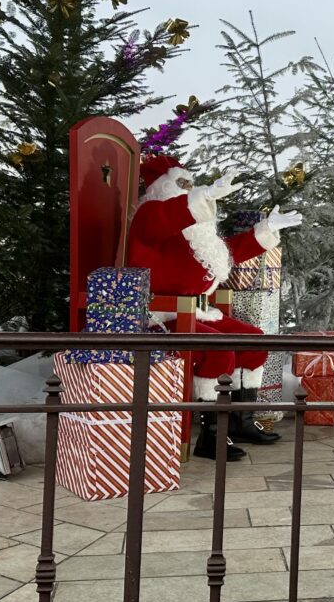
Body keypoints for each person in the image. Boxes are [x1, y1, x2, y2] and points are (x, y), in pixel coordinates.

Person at [127, 155, 302, 461]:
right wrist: (201, 197)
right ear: (162, 188)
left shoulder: (194, 234)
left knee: (254, 340)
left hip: (197, 312)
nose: (188, 188)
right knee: (219, 350)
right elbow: (166, 217)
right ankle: (211, 436)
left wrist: (264, 231)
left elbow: (227, 252)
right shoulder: (149, 215)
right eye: (181, 184)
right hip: (161, 316)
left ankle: (241, 420)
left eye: (189, 184)